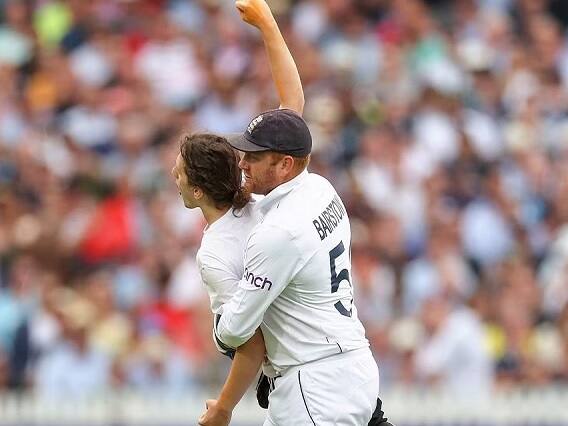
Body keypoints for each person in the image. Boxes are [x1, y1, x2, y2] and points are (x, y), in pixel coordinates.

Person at [202, 6, 381, 426]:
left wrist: (218, 301)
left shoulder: (281, 230)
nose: (243, 162)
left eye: (255, 156)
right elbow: (292, 104)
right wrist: (268, 26)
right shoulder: (316, 187)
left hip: (315, 384)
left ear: (284, 164)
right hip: (349, 364)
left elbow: (236, 331)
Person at [172, 0, 308, 425]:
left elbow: (253, 345)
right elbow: (293, 104)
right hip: (330, 357)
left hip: (300, 379)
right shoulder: (266, 198)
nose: (173, 178)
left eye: (178, 175)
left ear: (196, 190)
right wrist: (268, 26)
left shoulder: (213, 254)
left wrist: (224, 407)